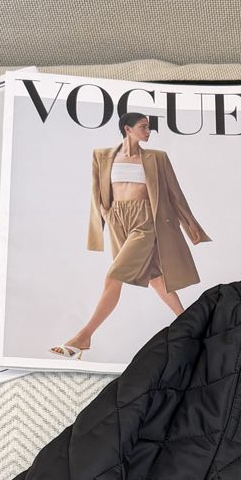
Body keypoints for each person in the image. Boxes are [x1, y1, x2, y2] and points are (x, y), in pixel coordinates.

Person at [51, 110, 211, 359]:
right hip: (117, 221)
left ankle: (83, 336)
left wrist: (190, 223)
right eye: (143, 126)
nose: (148, 131)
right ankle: (190, 326)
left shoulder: (157, 158)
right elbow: (97, 192)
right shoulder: (103, 156)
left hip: (145, 221)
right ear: (128, 129)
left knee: (113, 277)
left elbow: (174, 193)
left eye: (149, 127)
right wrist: (105, 215)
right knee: (156, 278)